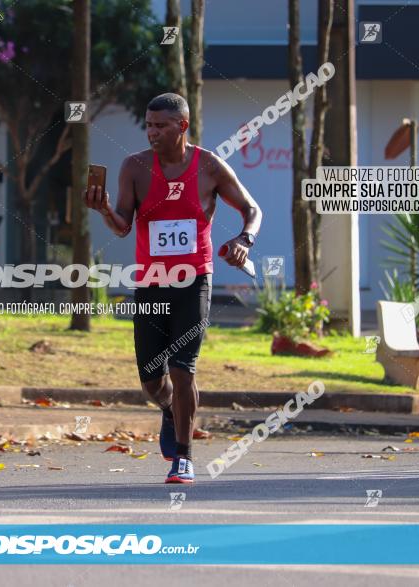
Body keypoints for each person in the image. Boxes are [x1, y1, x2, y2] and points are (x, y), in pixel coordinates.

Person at [84, 93, 262, 483]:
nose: (152, 133)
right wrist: (102, 209)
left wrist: (243, 240)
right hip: (151, 283)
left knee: (184, 370)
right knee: (152, 380)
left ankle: (184, 456)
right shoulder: (134, 167)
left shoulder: (209, 167)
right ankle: (169, 408)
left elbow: (252, 209)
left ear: (182, 126)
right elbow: (122, 226)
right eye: (148, 125)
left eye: (160, 126)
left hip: (194, 280)